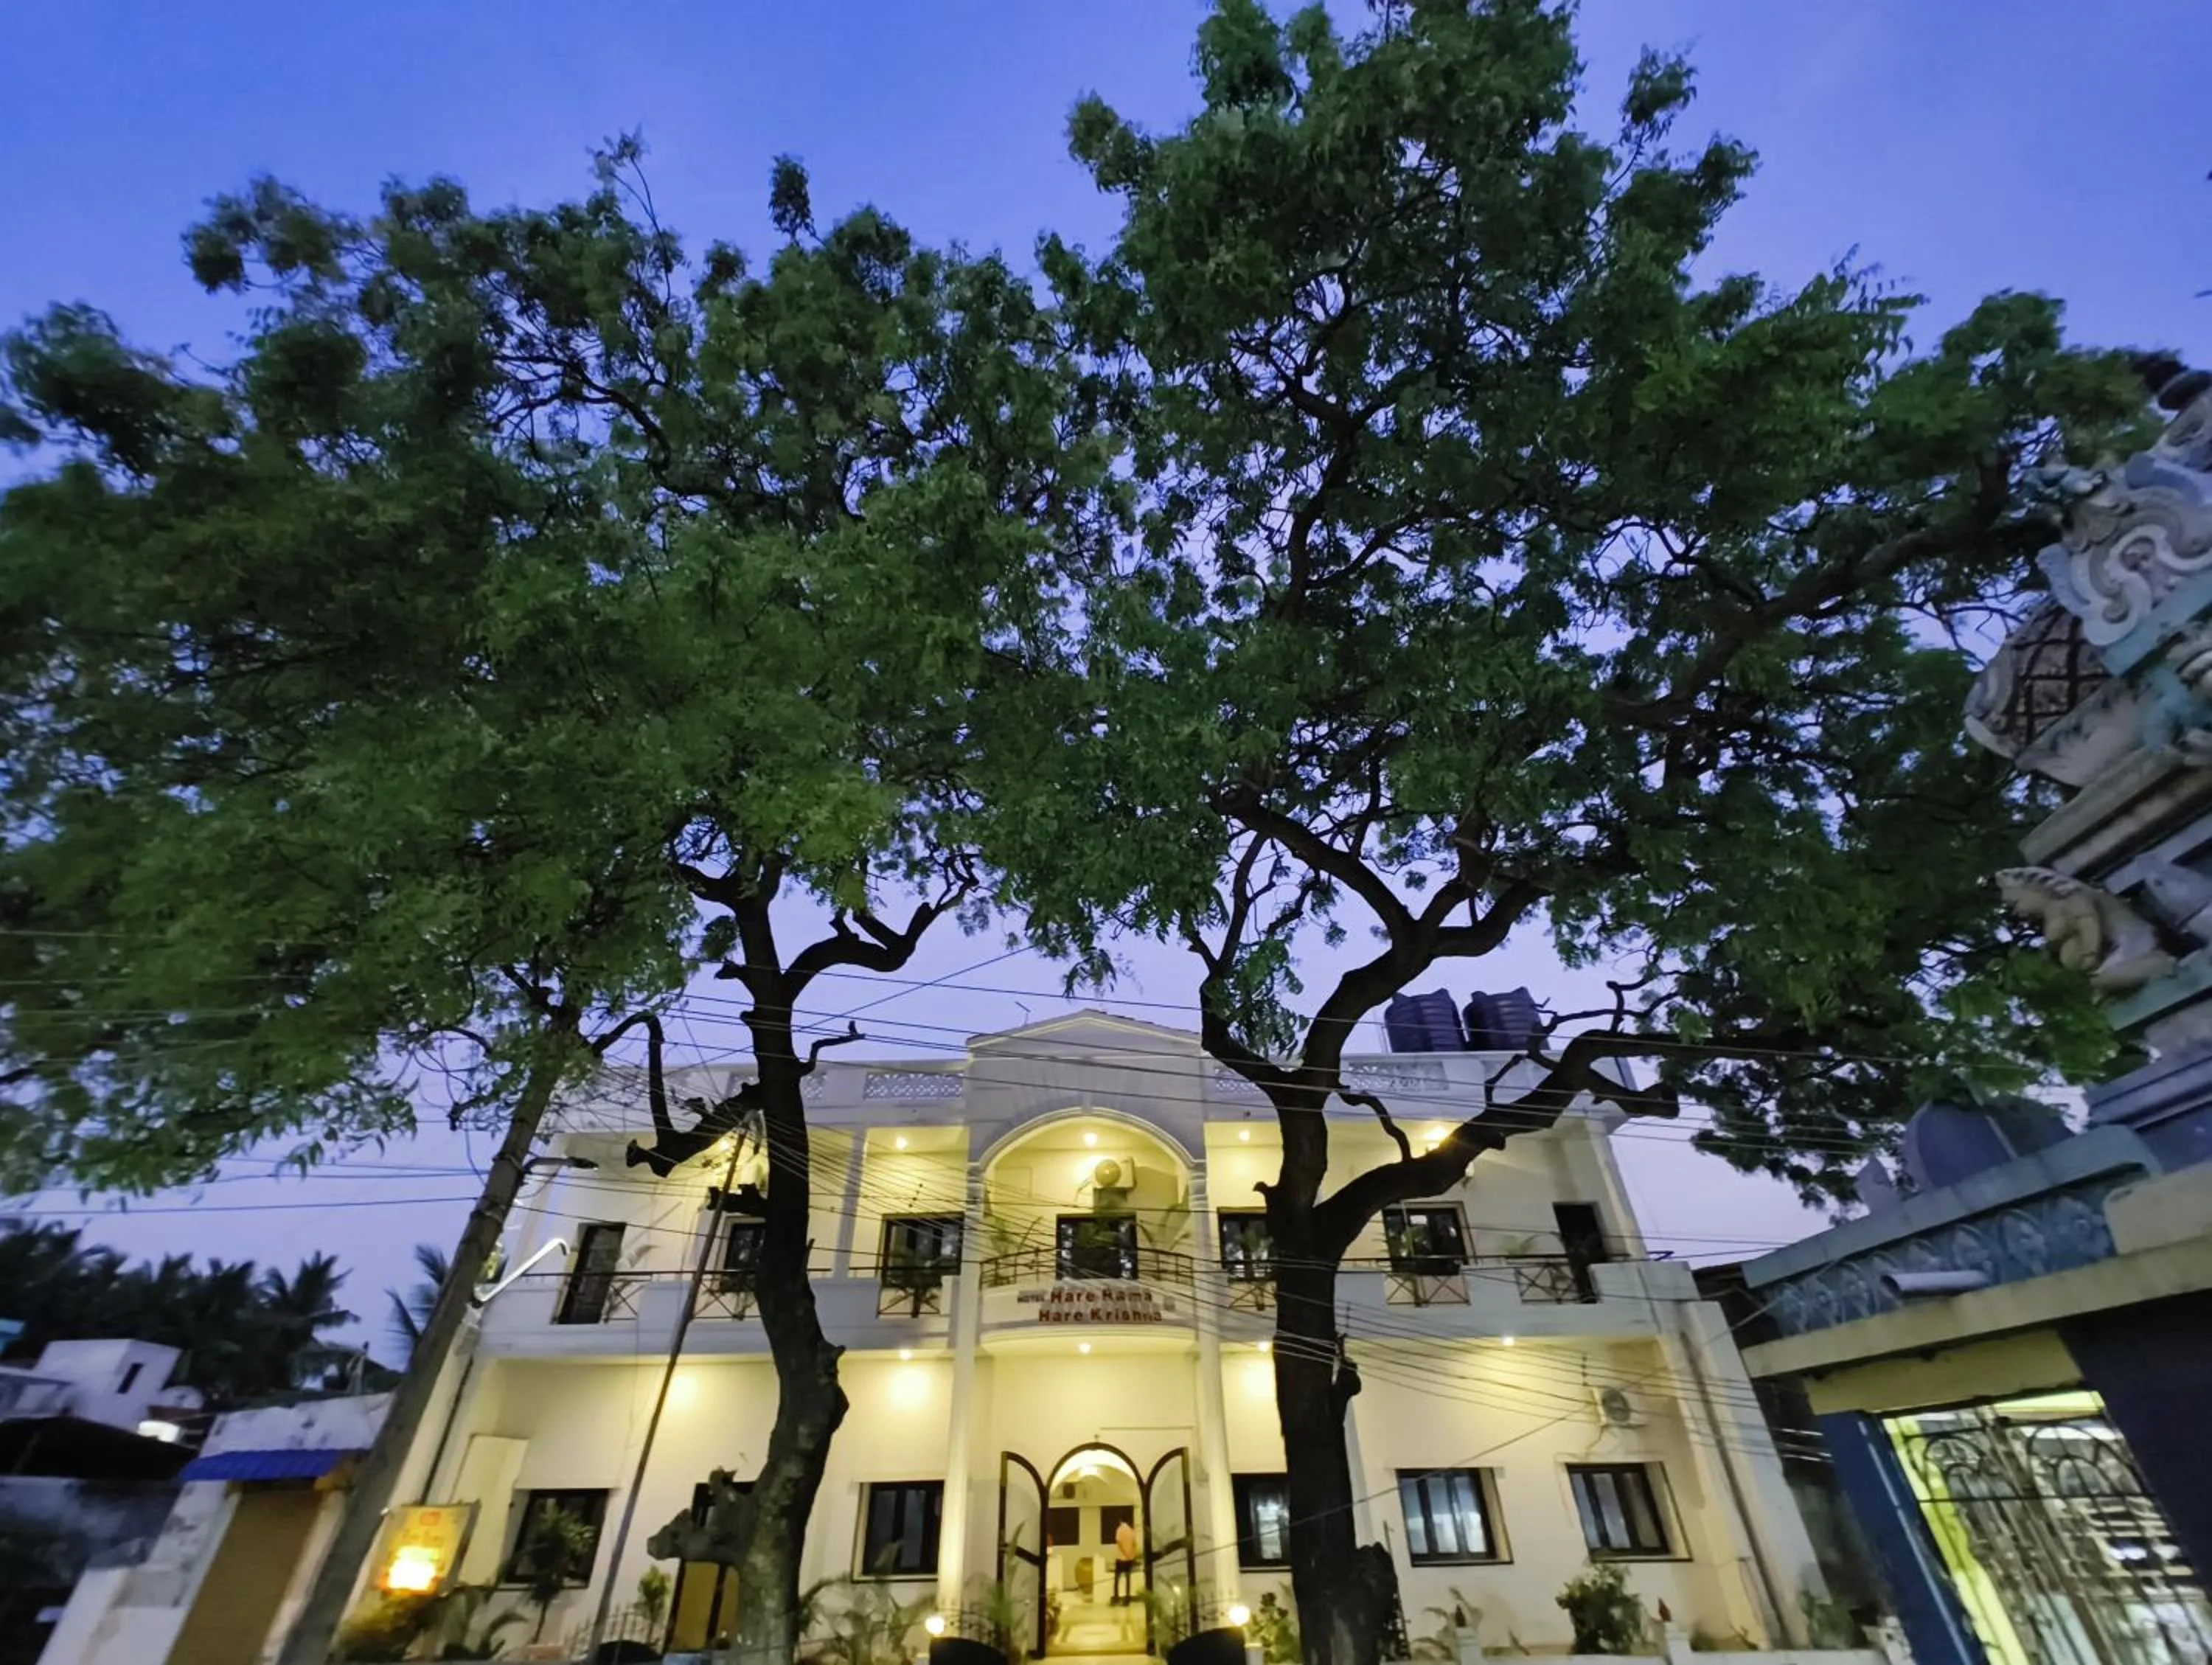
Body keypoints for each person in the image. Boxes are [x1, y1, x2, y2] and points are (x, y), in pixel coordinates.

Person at [1111, 1517, 1138, 1605]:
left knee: (1117, 1579)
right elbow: (1134, 1544)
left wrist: (1125, 1553)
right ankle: (1127, 1599)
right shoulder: (1131, 1530)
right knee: (1128, 1579)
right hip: (1129, 1559)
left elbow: (1119, 1543)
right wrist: (1131, 1555)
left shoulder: (1119, 1530)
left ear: (1120, 1521)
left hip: (1120, 1558)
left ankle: (1116, 1598)